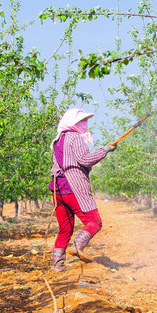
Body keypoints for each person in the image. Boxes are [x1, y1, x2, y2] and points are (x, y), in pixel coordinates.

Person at [49, 108, 117, 272]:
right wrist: (105, 150)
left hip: (57, 189)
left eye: (86, 120)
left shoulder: (58, 140)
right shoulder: (75, 138)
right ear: (72, 122)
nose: (85, 124)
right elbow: (85, 160)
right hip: (74, 187)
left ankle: (58, 266)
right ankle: (78, 245)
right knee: (94, 222)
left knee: (65, 229)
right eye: (81, 121)